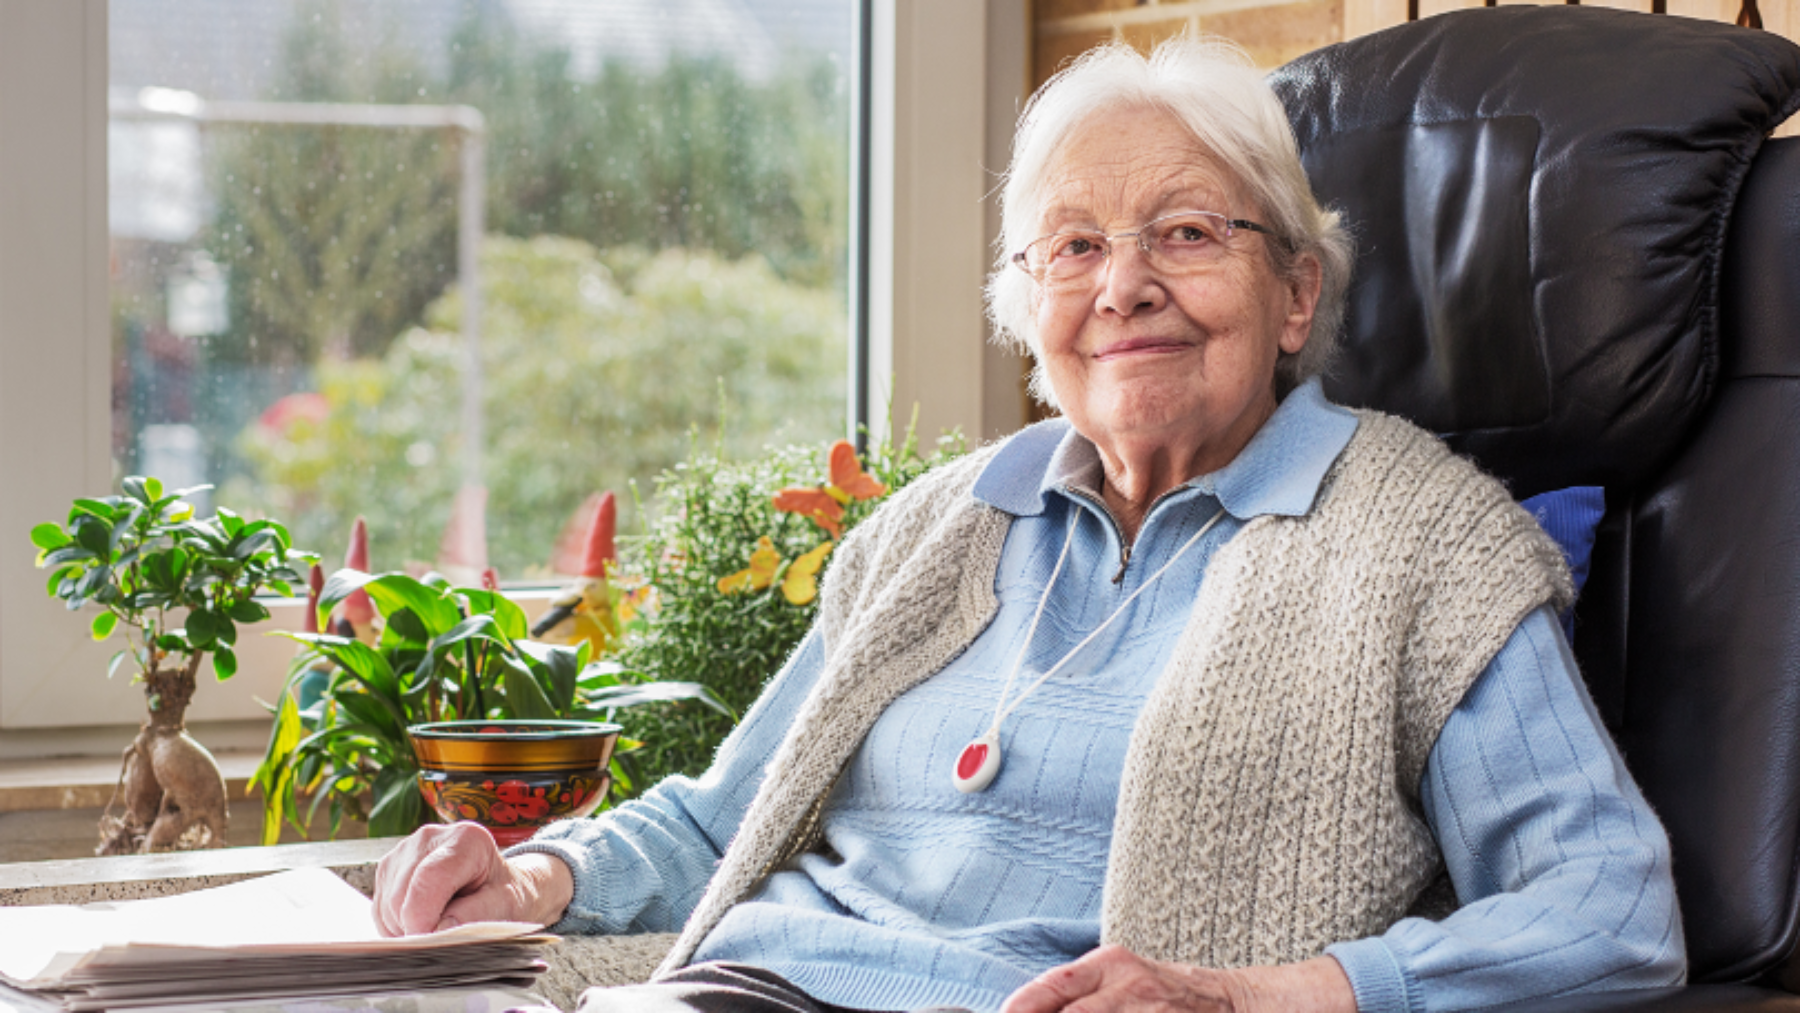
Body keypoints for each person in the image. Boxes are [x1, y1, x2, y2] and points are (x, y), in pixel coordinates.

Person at [373, 37, 1685, 1013]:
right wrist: (534, 881)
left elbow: (1609, 914)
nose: (1125, 286)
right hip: (738, 986)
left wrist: (1261, 995)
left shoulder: (1421, 546)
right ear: (1026, 307)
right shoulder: (938, 525)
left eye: (1186, 231)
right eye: (1071, 247)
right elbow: (725, 824)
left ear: (1295, 292)